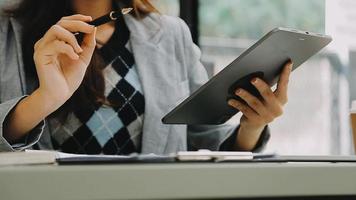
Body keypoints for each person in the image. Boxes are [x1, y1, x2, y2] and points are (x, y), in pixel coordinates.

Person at [0, 0, 291, 155]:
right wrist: (43, 101)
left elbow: (198, 143)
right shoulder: (5, 31)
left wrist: (252, 127)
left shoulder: (171, 35)